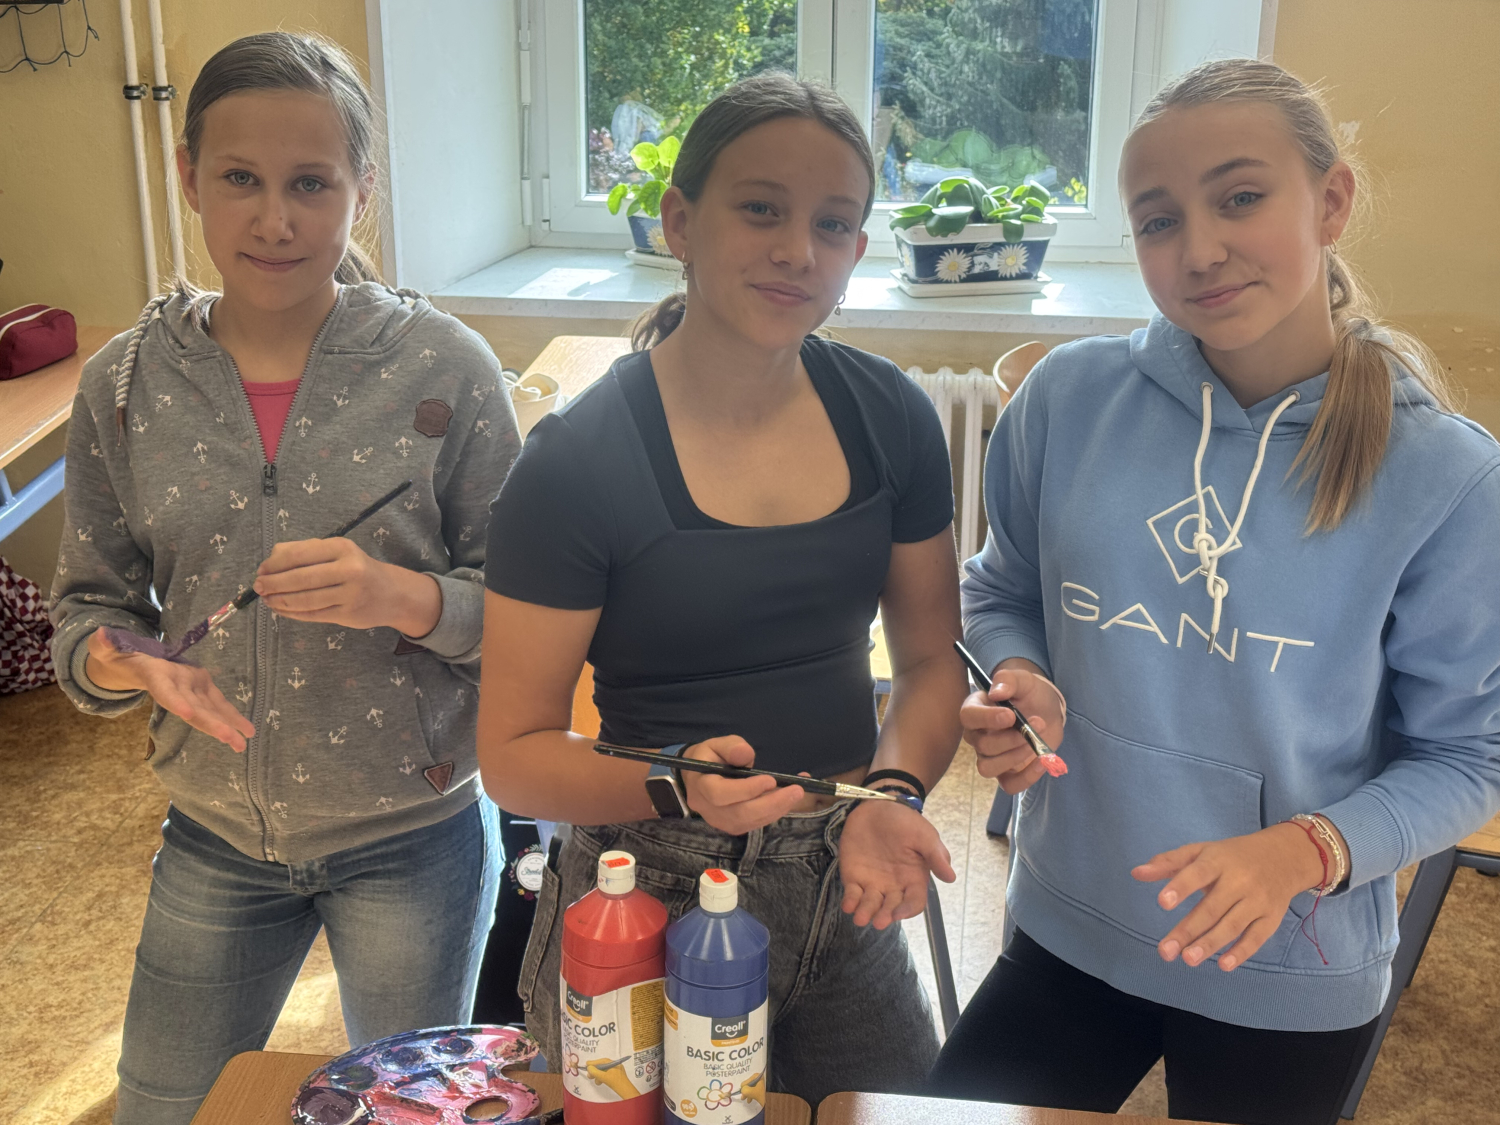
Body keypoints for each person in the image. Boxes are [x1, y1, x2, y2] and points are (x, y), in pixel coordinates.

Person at [928, 58, 1500, 1125]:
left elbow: (1470, 758)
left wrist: (1304, 851)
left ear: (1331, 202)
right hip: (1070, 919)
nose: (1198, 250)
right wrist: (1017, 676)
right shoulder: (1065, 399)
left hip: (1290, 965)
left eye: (1240, 197)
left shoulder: (1449, 478)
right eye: (1157, 220)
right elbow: (1003, 590)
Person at [46, 32, 520, 1125]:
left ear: (363, 189)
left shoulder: (446, 368)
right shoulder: (124, 383)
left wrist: (406, 598)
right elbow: (87, 610)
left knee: (408, 1112)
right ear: (188, 179)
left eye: (312, 183)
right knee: (163, 1109)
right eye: (239, 179)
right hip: (214, 835)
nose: (275, 220)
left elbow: (530, 618)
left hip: (414, 835)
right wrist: (128, 663)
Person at [478, 73, 967, 1106]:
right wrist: (675, 784)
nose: (798, 250)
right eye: (760, 208)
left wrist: (894, 794)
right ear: (679, 222)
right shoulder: (575, 464)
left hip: (847, 874)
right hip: (640, 896)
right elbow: (513, 760)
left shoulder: (891, 417)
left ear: (857, 252)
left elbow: (930, 662)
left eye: (831, 224)